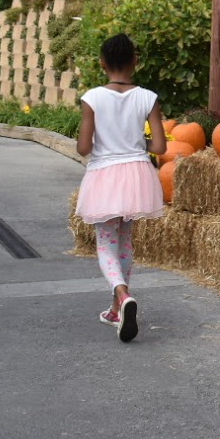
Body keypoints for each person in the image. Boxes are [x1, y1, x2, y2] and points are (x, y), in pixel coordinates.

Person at [74, 34, 167, 342]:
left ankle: (123, 295)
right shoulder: (148, 97)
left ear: (102, 63)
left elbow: (84, 148)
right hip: (137, 174)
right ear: (134, 62)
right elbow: (160, 145)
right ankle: (116, 309)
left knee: (105, 243)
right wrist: (137, 142)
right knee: (125, 241)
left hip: (104, 175)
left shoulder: (92, 98)